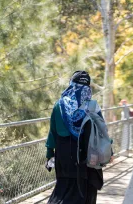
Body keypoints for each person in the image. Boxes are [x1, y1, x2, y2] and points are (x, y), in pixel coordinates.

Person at [45, 71, 106, 204]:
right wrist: (108, 151)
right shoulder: (92, 106)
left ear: (71, 84)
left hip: (64, 156)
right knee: (85, 192)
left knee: (62, 189)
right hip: (87, 156)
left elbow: (52, 134)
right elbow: (102, 132)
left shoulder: (59, 105)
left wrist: (49, 154)